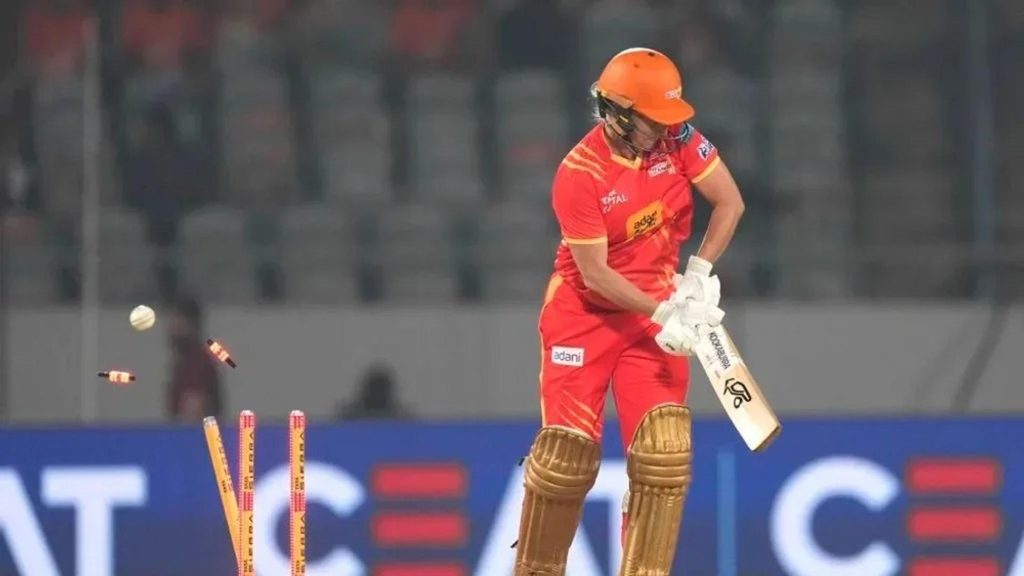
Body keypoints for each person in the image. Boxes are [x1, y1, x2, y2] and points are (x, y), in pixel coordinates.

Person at [513, 48, 746, 574]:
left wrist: (698, 273)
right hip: (584, 316)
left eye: (668, 119)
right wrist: (665, 313)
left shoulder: (678, 138)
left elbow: (729, 202)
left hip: (655, 313)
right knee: (565, 460)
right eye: (651, 120)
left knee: (662, 455)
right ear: (616, 112)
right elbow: (595, 275)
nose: (663, 130)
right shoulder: (579, 173)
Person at [165, 296, 223, 422]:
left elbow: (193, 412)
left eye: (176, 320)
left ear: (190, 324)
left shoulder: (198, 362)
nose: (170, 327)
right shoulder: (183, 362)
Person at [335, 363, 409, 420]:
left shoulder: (400, 421)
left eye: (380, 390)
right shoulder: (350, 419)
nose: (378, 395)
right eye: (376, 390)